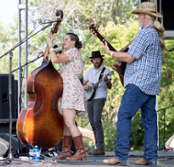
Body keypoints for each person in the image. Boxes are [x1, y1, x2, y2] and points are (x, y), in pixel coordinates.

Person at [101, 2, 166, 166]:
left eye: (139, 15)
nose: (138, 17)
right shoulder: (155, 34)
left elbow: (130, 58)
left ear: (143, 16)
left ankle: (120, 155)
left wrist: (109, 52)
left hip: (139, 83)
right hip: (151, 85)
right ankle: (150, 156)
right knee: (150, 121)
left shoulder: (145, 33)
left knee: (123, 115)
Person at [47, 33, 87, 161]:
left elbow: (55, 59)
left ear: (73, 42)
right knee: (67, 123)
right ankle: (66, 151)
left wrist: (50, 46)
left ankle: (81, 151)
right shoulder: (67, 62)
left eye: (66, 39)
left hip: (71, 89)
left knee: (69, 122)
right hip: (68, 90)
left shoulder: (73, 52)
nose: (63, 42)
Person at [83, 51, 112, 155]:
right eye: (94, 59)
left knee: (96, 121)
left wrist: (106, 81)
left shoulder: (106, 71)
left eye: (98, 59)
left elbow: (110, 86)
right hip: (89, 98)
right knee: (92, 122)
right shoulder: (89, 71)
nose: (96, 61)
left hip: (100, 98)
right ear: (92, 60)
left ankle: (101, 147)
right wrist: (85, 87)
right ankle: (97, 148)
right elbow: (83, 84)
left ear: (101, 60)